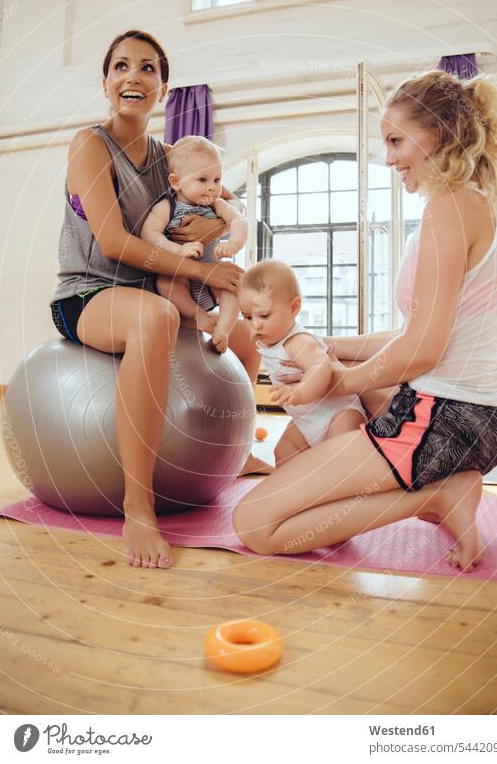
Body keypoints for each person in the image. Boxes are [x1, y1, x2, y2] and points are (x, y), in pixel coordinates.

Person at [233, 69, 497, 573]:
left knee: (255, 523)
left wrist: (339, 380)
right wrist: (332, 345)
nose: (387, 157)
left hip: (445, 418)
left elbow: (422, 351)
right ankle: (430, 484)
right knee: (362, 401)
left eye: (396, 141)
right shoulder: (490, 206)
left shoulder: (449, 210)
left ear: (439, 133)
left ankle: (434, 497)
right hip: (493, 419)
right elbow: (427, 333)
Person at [50, 30, 265, 570]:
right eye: (121, 66)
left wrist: (222, 239)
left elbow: (223, 207)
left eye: (148, 69)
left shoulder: (173, 158)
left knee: (241, 330)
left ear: (164, 89)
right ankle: (138, 507)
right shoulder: (89, 144)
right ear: (106, 82)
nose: (134, 77)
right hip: (88, 291)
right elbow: (115, 243)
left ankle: (234, 455)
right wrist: (199, 266)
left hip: (154, 288)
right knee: (158, 315)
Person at [238, 260, 365, 465]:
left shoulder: (298, 341)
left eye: (264, 315)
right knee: (283, 452)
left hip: (339, 415)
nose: (255, 324)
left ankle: (334, 490)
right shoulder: (270, 343)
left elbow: (320, 366)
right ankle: (297, 486)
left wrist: (301, 391)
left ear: (294, 307)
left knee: (336, 461)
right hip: (306, 421)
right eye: (247, 317)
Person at [141, 136, 247, 353]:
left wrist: (234, 243)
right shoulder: (166, 207)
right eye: (203, 180)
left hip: (212, 271)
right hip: (181, 273)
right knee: (165, 283)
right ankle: (199, 315)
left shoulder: (217, 204)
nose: (212, 187)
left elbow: (238, 219)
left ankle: (224, 329)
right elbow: (149, 234)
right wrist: (177, 249)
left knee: (234, 285)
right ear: (175, 182)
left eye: (217, 180)